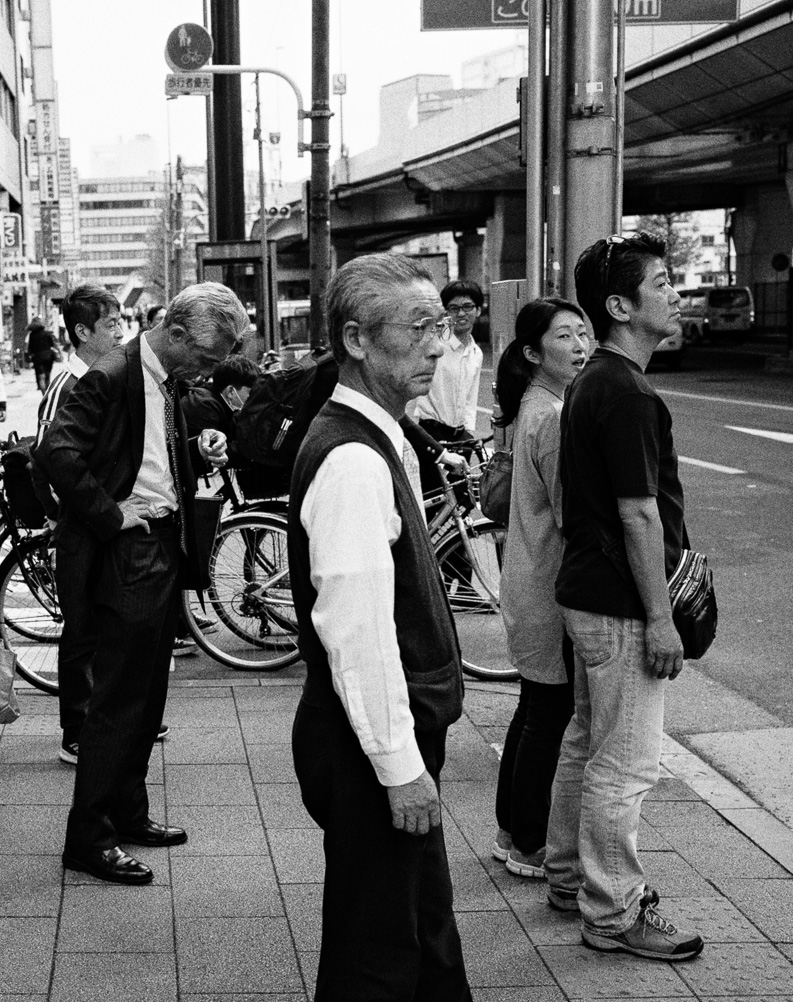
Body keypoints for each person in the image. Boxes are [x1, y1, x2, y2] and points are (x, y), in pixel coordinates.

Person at [288, 252, 471, 1001]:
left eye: (442, 325)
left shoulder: (383, 434)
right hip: (368, 741)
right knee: (380, 951)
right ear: (357, 339)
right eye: (419, 327)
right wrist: (399, 765)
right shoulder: (353, 461)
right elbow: (356, 632)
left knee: (416, 926)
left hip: (376, 732)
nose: (439, 343)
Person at [37, 282, 242, 885]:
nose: (205, 371)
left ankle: (128, 812)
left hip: (158, 545)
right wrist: (112, 513)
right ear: (174, 335)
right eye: (203, 358)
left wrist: (196, 450)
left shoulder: (163, 375)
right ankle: (90, 836)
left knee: (147, 695)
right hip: (127, 550)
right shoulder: (110, 373)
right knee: (119, 701)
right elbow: (56, 452)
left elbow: (143, 453)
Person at [545, 232, 704, 961]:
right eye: (664, 281)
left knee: (586, 741)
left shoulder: (593, 381)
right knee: (626, 761)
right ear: (620, 305)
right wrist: (661, 618)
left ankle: (569, 877)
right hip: (619, 604)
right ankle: (612, 913)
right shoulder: (626, 391)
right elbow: (639, 512)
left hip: (588, 593)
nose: (676, 292)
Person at [489, 298, 589, 880]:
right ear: (533, 353)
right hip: (548, 588)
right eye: (565, 337)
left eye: (584, 334)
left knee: (534, 711)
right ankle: (529, 841)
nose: (580, 347)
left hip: (526, 579)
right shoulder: (551, 416)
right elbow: (569, 513)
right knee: (549, 717)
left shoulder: (529, 405)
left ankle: (511, 832)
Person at [31, 283, 123, 764]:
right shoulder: (66, 384)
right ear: (82, 332)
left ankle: (109, 716)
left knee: (107, 624)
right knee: (82, 628)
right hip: (78, 527)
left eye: (121, 321)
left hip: (105, 521)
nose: (120, 332)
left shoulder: (111, 376)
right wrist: (59, 517)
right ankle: (77, 728)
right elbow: (43, 460)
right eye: (111, 324)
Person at [406, 278, 484, 446]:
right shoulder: (435, 345)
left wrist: (469, 433)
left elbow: (471, 399)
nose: (461, 313)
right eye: (454, 308)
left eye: (468, 307)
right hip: (431, 432)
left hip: (461, 436)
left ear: (478, 311)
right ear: (446, 313)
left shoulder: (476, 353)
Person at [181, 353, 260, 443]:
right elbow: (213, 450)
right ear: (230, 391)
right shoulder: (203, 406)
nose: (254, 398)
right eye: (250, 393)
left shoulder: (222, 404)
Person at [26, 319, 58, 392]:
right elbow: (52, 344)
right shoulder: (47, 333)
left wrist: (30, 355)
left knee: (40, 376)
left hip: (37, 358)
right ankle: (48, 388)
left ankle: (43, 393)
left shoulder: (32, 335)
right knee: (48, 374)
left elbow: (30, 347)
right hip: (48, 356)